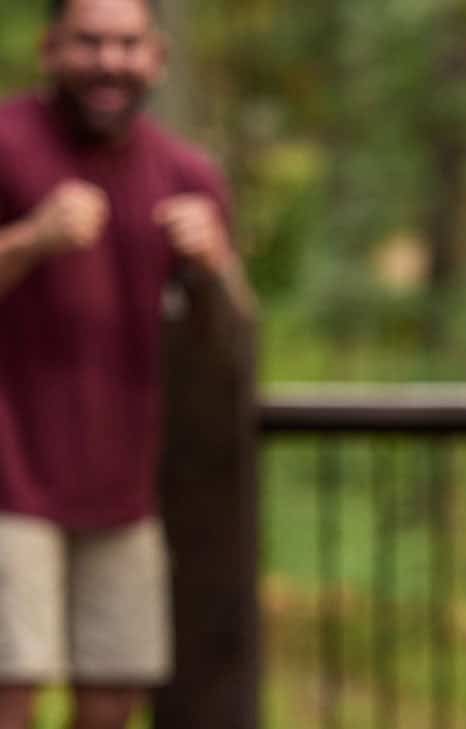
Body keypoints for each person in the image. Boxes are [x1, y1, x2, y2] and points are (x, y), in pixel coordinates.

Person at [0, 1, 249, 727]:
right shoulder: (7, 143)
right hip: (8, 479)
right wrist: (31, 240)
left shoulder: (188, 172)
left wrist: (217, 263)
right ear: (51, 48)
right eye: (89, 42)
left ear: (157, 57)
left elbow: (238, 335)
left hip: (125, 492)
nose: (110, 60)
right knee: (10, 691)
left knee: (113, 701)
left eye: (127, 44)